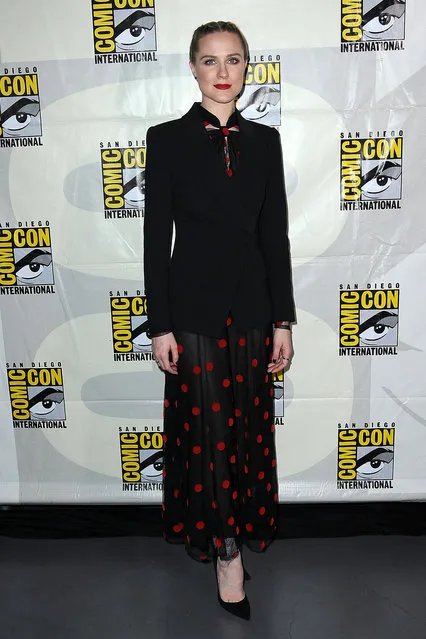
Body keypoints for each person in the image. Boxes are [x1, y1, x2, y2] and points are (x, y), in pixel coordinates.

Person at [143, 20, 295, 620]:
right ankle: (225, 553)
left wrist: (282, 318)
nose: (223, 72)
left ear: (246, 67)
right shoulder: (166, 139)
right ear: (194, 68)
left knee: (247, 430)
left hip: (255, 308)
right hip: (195, 310)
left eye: (234, 60)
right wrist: (159, 325)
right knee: (208, 437)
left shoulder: (265, 142)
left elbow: (273, 236)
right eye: (210, 60)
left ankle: (237, 530)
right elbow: (157, 239)